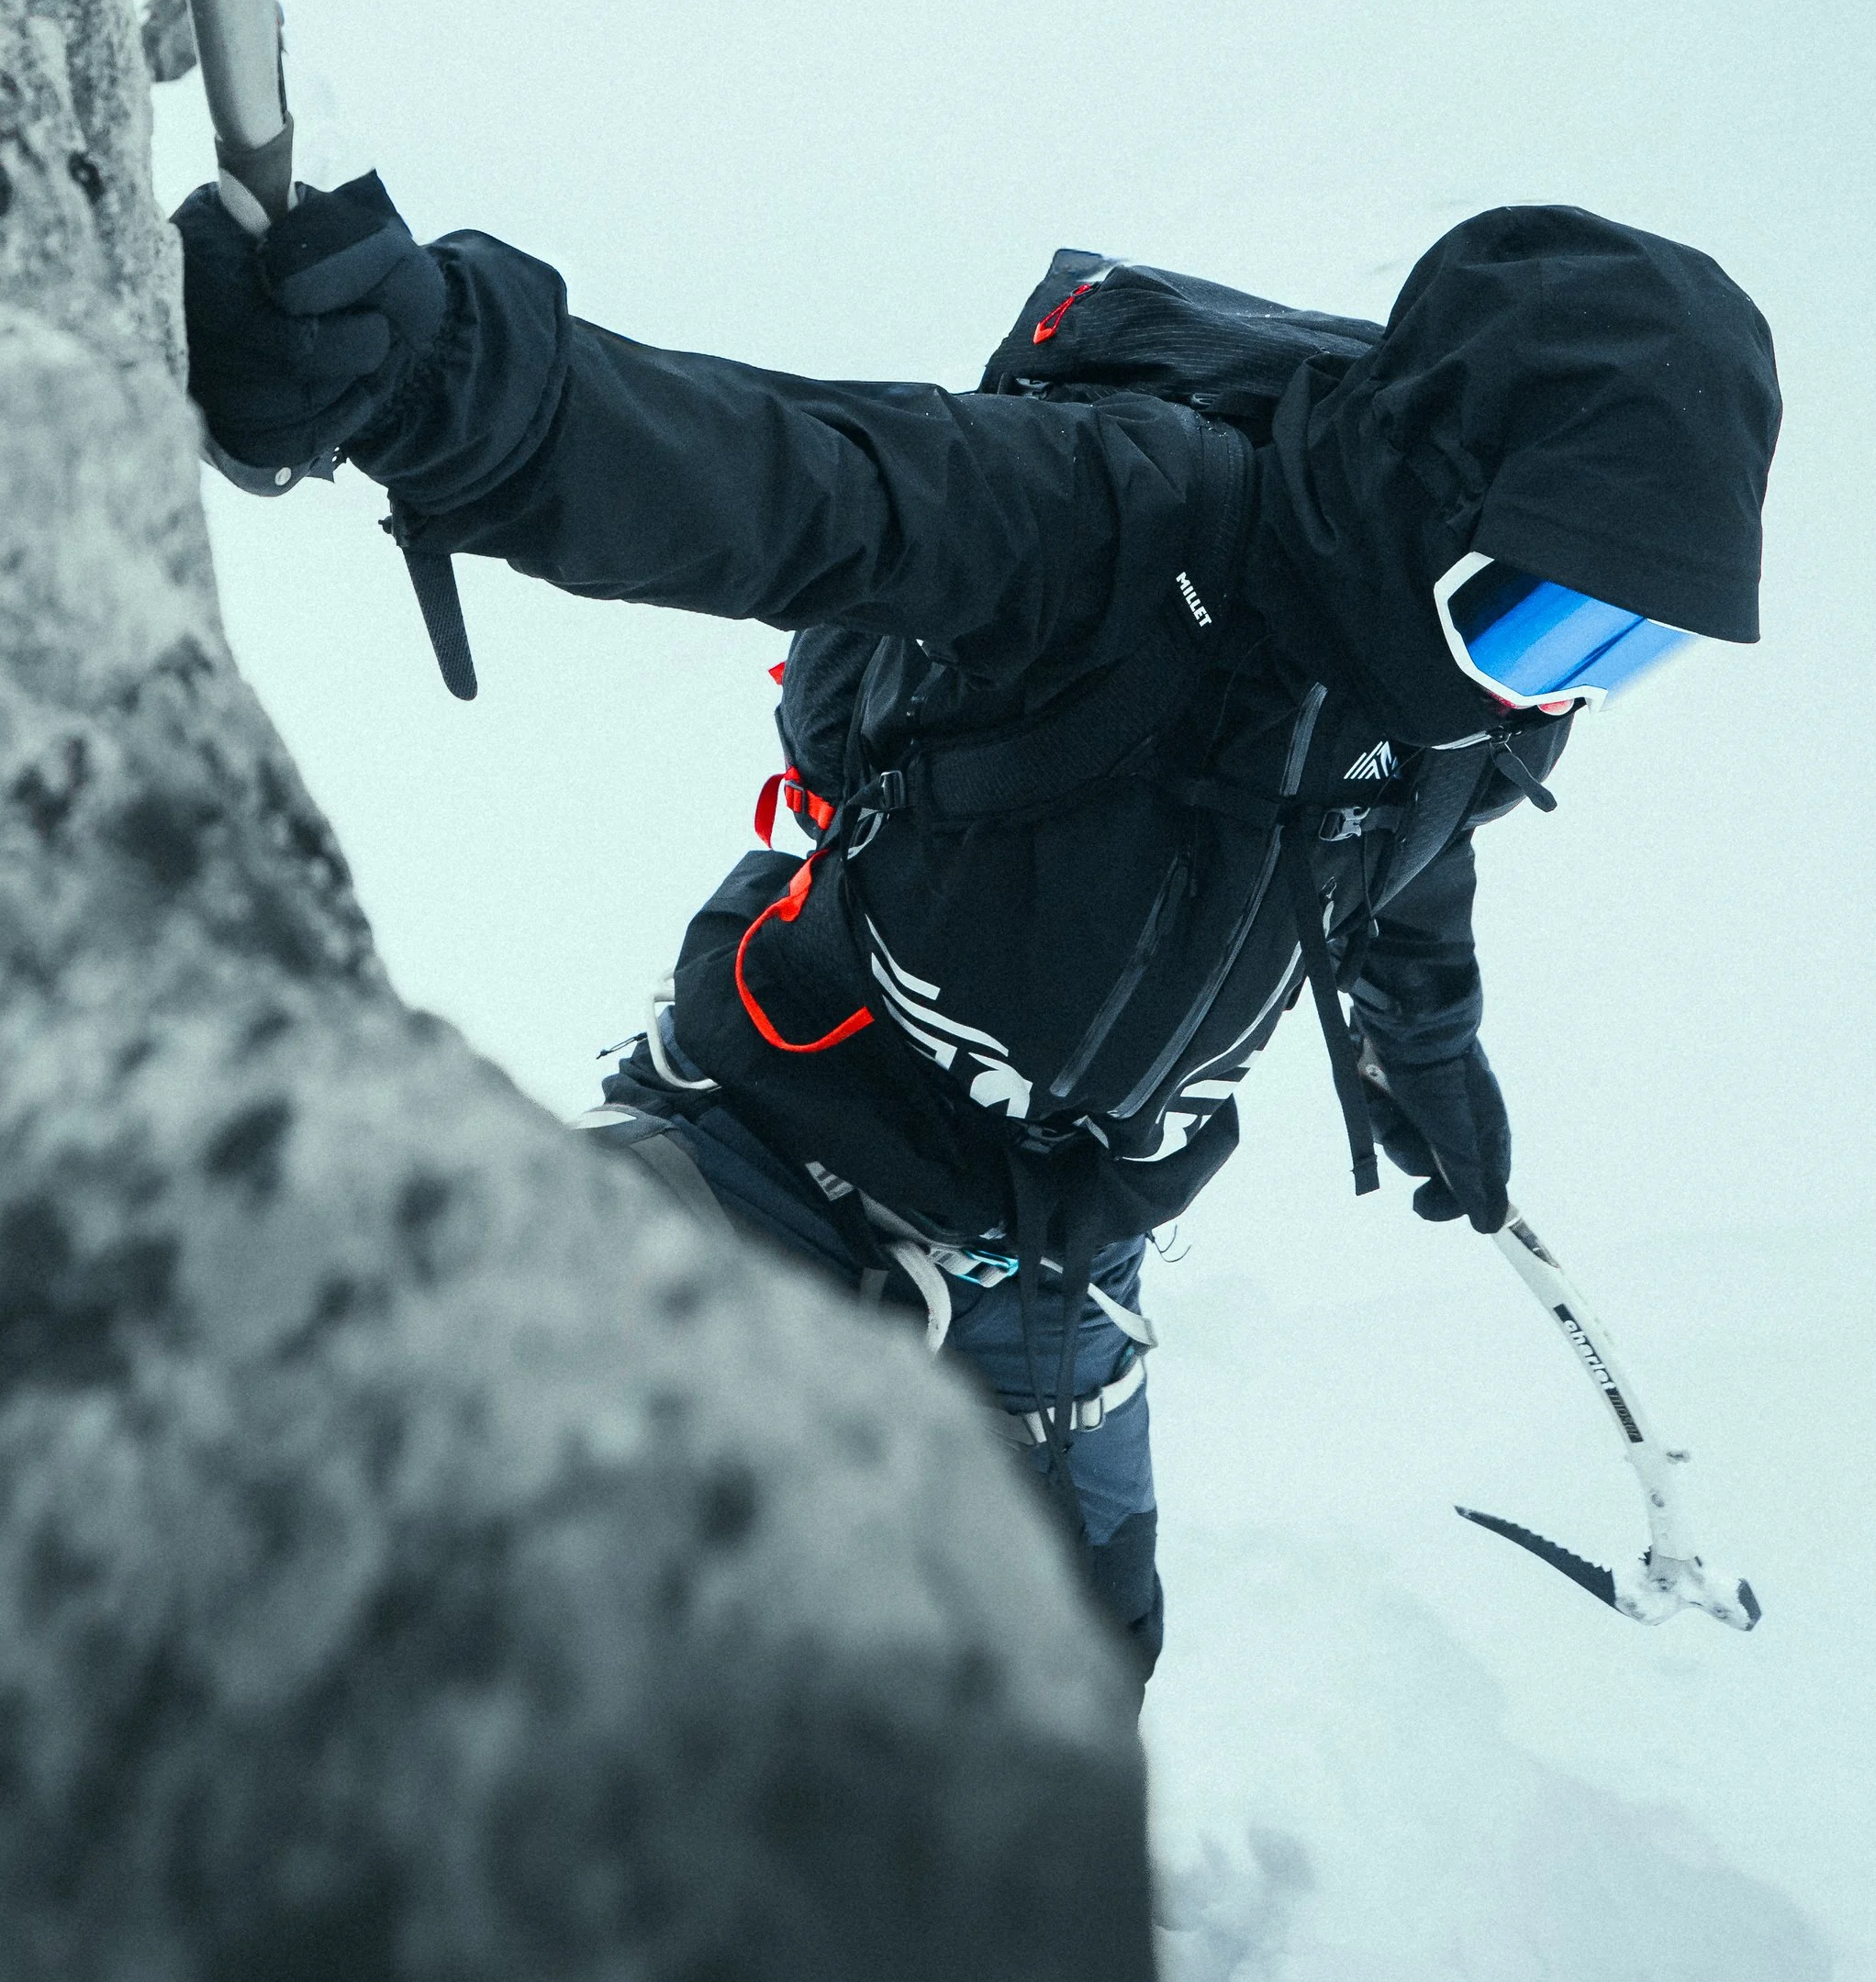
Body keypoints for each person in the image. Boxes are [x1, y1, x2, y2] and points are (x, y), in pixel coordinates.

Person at [174, 178, 1781, 1683]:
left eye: (1617, 650)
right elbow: (787, 479)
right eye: (1543, 616)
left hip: (1063, 1269)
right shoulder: (1129, 518)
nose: (1554, 692)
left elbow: (1406, 852)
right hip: (782, 1150)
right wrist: (426, 369)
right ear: (1430, 492)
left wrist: (1427, 1048)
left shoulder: (1473, 701)